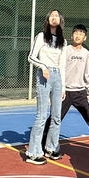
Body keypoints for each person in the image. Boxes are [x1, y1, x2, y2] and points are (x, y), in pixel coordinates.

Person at [42, 24, 89, 151]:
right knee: (55, 118)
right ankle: (42, 142)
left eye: (81, 34)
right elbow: (59, 69)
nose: (78, 36)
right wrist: (60, 87)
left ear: (85, 38)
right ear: (71, 36)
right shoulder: (65, 50)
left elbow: (86, 73)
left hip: (80, 93)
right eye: (76, 33)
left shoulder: (86, 53)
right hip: (65, 92)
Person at [24, 9, 67, 165]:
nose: (54, 17)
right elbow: (31, 57)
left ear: (60, 20)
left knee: (56, 116)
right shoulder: (41, 36)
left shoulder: (63, 41)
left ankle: (51, 148)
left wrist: (63, 86)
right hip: (44, 75)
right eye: (52, 15)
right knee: (41, 115)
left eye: (57, 16)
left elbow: (63, 65)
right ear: (48, 19)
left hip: (57, 77)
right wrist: (43, 67)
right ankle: (33, 153)